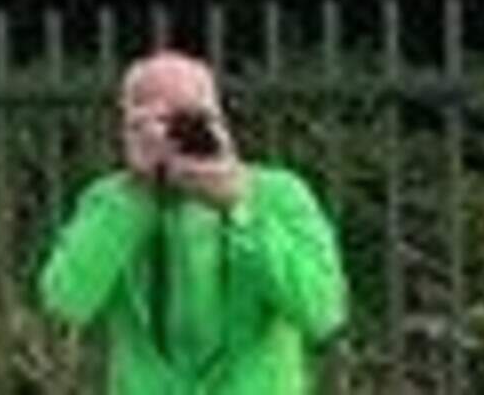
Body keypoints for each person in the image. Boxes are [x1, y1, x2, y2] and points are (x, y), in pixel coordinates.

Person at [37, 47, 348, 394]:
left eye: (192, 119)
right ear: (128, 126)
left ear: (220, 120)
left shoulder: (278, 195)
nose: (176, 137)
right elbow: (65, 303)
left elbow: (322, 312)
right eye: (156, 122)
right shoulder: (110, 201)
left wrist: (239, 209)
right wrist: (137, 194)